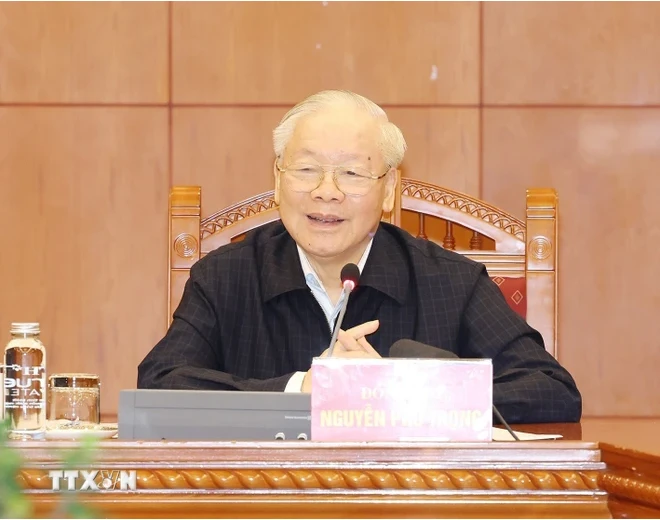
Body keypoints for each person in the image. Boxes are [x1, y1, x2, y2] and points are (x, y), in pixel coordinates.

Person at [138, 90, 581, 424]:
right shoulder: (224, 277)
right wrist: (303, 389)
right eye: (306, 169)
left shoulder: (451, 282)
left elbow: (552, 391)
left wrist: (393, 391)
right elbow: (158, 385)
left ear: (389, 189)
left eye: (351, 173)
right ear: (277, 179)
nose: (325, 191)